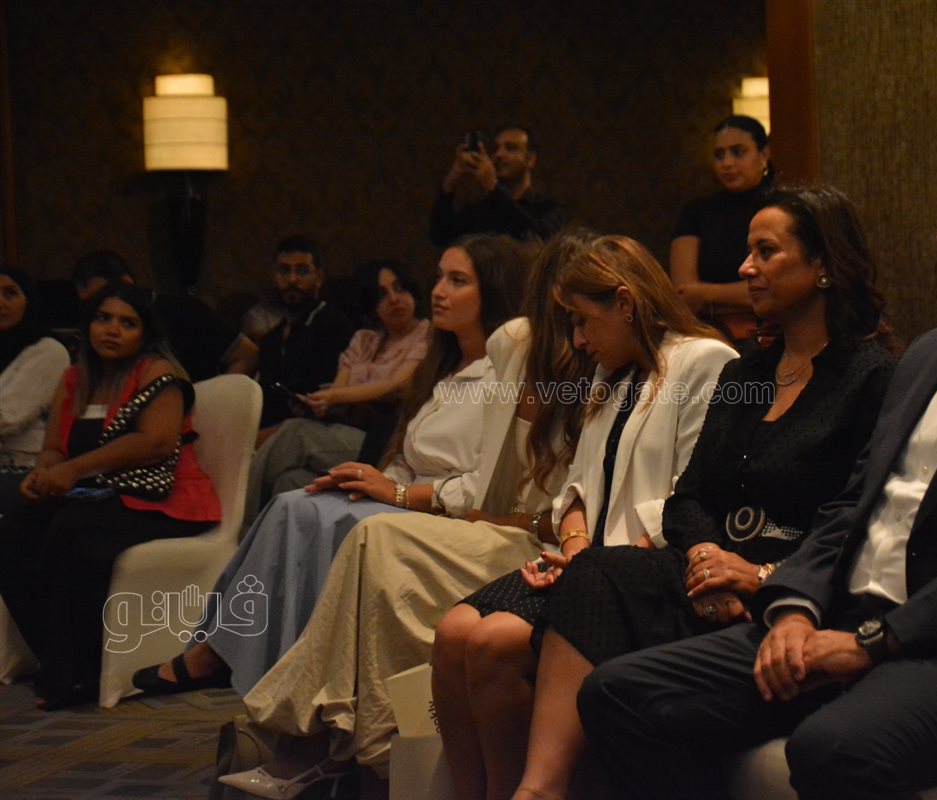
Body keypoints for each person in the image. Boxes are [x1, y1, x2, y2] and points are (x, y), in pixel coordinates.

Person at [575, 138, 937, 799]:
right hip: (851, 622)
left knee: (832, 748)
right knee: (618, 694)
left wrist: (876, 640)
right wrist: (795, 607)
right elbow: (853, 504)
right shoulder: (932, 352)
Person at [506, 185, 898, 800]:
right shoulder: (747, 372)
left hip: (798, 589)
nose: (744, 268)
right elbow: (687, 499)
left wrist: (761, 577)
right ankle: (539, 790)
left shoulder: (871, 378)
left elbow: (857, 520)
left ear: (823, 265)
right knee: (595, 571)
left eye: (765, 251)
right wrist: (706, 561)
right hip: (708, 573)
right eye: (747, 251)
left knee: (611, 670)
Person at [214, 232, 597, 799]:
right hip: (503, 525)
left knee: (375, 535)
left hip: (541, 541)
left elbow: (561, 505)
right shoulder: (517, 352)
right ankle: (326, 738)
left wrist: (403, 495)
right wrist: (396, 487)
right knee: (314, 510)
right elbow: (489, 488)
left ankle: (332, 746)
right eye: (567, 310)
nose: (578, 325)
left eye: (586, 310)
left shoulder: (607, 372)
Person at [131, 236, 524, 698]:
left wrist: (397, 494)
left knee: (319, 506)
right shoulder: (441, 367)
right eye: (438, 277)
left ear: (492, 291)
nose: (438, 291)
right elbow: (406, 456)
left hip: (447, 516)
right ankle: (230, 648)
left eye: (457, 281)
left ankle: (239, 660)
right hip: (406, 497)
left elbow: (485, 486)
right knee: (295, 502)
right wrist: (373, 481)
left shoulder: (507, 377)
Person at [432, 235, 738, 800]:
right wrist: (574, 548)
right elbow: (576, 485)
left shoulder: (705, 361)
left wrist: (594, 567)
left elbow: (693, 495)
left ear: (624, 302)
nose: (576, 339)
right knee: (452, 633)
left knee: (493, 643)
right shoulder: (608, 370)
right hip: (589, 564)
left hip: (650, 571)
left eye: (581, 321)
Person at [0, 283, 221, 710]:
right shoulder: (74, 379)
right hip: (97, 494)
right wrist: (44, 473)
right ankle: (60, 659)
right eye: (104, 319)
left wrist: (73, 470)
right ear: (88, 325)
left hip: (164, 500)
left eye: (127, 323)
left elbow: (156, 442)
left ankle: (77, 672)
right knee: (15, 531)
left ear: (144, 333)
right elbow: (55, 447)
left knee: (71, 531)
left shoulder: (159, 373)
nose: (113, 330)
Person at [241, 259, 430, 524]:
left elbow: (400, 385)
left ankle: (241, 526)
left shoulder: (427, 335)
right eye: (382, 294)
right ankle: (280, 545)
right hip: (349, 433)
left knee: (295, 432)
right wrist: (319, 403)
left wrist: (332, 396)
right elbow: (339, 388)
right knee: (290, 480)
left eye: (400, 289)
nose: (394, 299)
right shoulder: (364, 339)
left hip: (389, 445)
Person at [71, 250, 259, 381]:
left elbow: (247, 354)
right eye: (86, 305)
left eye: (99, 297)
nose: (93, 310)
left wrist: (217, 401)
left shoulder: (182, 310)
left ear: (126, 284)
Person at [671, 115, 774, 343]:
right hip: (709, 335)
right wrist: (743, 296)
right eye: (719, 155)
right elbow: (684, 295)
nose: (727, 163)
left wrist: (706, 294)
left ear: (764, 154)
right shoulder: (696, 212)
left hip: (774, 332)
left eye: (738, 152)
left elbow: (779, 287)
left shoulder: (781, 208)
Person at [256, 236, 355, 438]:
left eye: (302, 271)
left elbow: (332, 400)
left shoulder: (333, 324)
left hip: (316, 431)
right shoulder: (271, 339)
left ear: (319, 278)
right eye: (284, 271)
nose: (292, 280)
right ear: (274, 277)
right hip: (272, 433)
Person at [0, 266, 70, 510]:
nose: (1, 302)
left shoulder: (49, 351)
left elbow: (8, 417)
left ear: (28, 301)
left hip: (24, 470)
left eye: (10, 294)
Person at [430, 126, 568, 247]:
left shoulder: (550, 209)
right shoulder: (481, 210)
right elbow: (440, 237)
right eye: (496, 149)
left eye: (510, 148)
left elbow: (536, 238)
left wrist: (493, 188)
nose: (498, 154)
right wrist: (451, 181)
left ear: (530, 159)